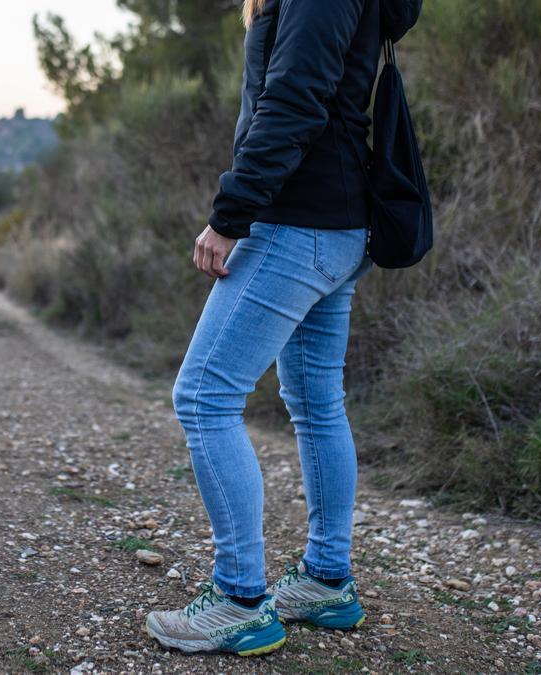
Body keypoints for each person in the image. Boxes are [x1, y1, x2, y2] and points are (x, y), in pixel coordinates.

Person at [144, 0, 419, 657]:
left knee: (204, 395)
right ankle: (326, 580)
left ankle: (239, 600)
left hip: (299, 224)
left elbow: (295, 101)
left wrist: (231, 213)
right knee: (316, 400)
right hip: (335, 223)